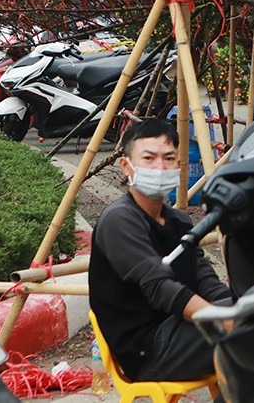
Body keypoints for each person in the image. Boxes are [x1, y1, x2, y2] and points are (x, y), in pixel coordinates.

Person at [89, 118, 231, 383]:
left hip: (179, 326)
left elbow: (204, 278)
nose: (160, 167)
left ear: (178, 165)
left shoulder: (179, 221)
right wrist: (221, 320)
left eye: (168, 158)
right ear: (126, 166)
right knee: (253, 336)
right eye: (149, 158)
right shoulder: (119, 220)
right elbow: (159, 286)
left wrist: (233, 308)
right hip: (148, 348)